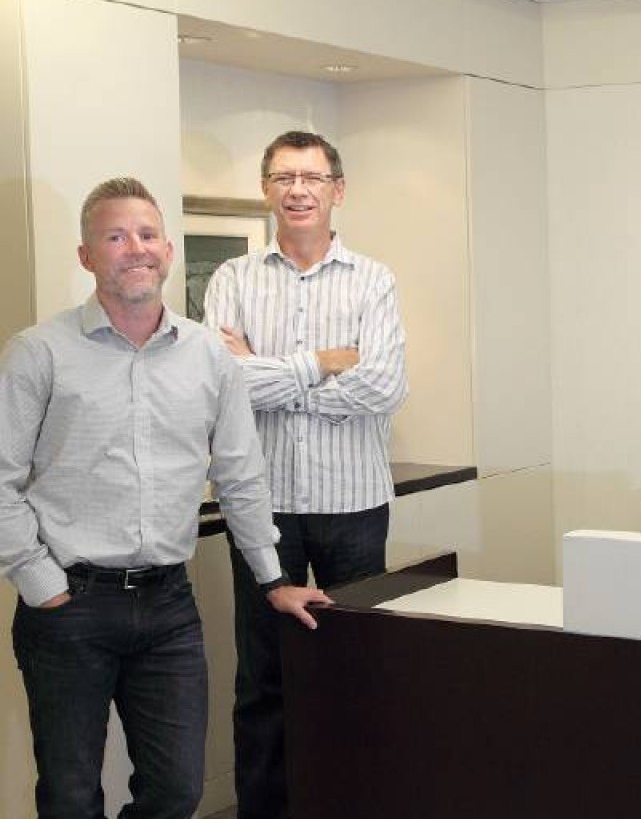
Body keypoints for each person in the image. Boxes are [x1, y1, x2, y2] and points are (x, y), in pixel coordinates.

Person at [0, 177, 331, 819]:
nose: (136, 248)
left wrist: (273, 579)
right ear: (86, 255)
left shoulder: (209, 356)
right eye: (115, 237)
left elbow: (241, 476)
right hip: (69, 607)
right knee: (70, 795)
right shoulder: (39, 353)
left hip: (168, 607)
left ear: (169, 250)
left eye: (148, 234)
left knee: (177, 790)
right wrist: (40, 580)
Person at [204, 130, 408, 819]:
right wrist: (323, 362)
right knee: (263, 680)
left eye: (312, 178)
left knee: (357, 671)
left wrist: (263, 372)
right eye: (284, 177)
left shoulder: (372, 280)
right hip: (261, 510)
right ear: (266, 190)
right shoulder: (233, 278)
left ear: (337, 191)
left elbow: (383, 387)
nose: (298, 190)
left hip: (353, 505)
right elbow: (220, 385)